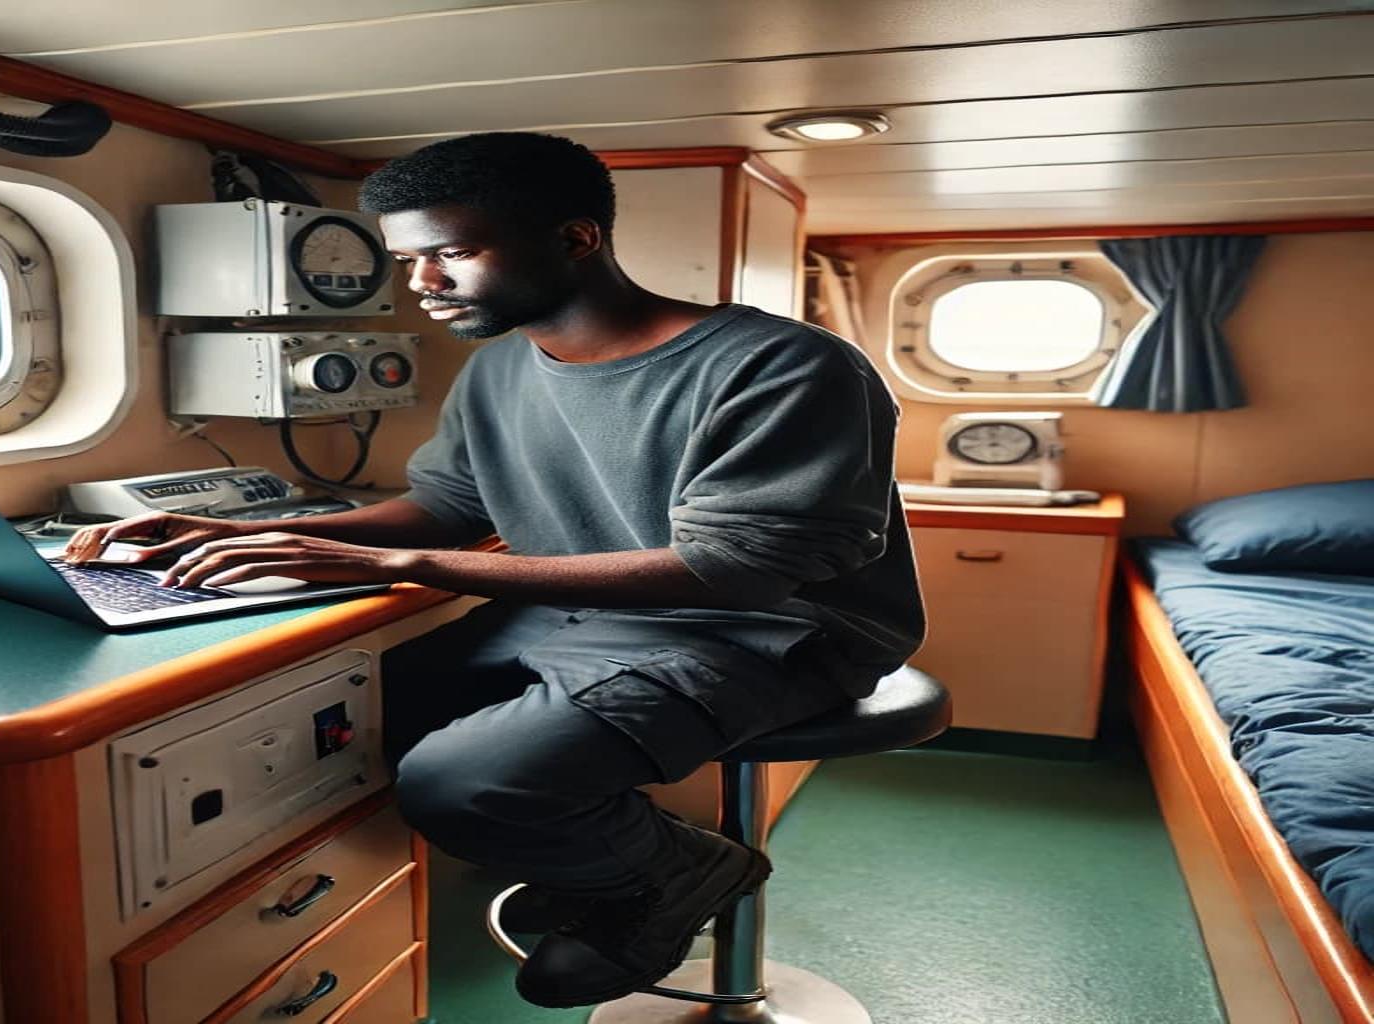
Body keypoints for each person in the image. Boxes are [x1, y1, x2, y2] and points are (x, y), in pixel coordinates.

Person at [63, 132, 925, 1009]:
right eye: (409, 260)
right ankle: (601, 859)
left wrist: (413, 565)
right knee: (358, 716)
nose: (422, 284)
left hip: (767, 630)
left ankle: (673, 873)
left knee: (465, 781)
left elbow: (738, 572)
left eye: (452, 253)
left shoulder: (781, 366)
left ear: (575, 239)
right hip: (592, 615)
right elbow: (443, 509)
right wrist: (263, 534)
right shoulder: (500, 369)